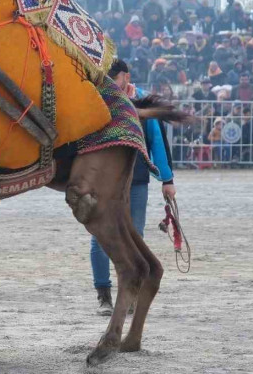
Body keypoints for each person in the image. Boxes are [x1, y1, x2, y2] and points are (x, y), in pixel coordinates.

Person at [91, 59, 177, 316]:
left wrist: (167, 180)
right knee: (99, 237)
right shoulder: (97, 101)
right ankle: (103, 295)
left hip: (138, 178)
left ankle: (128, 293)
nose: (108, 85)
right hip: (103, 181)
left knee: (135, 236)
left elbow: (157, 142)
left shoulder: (142, 103)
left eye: (112, 79)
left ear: (125, 77)